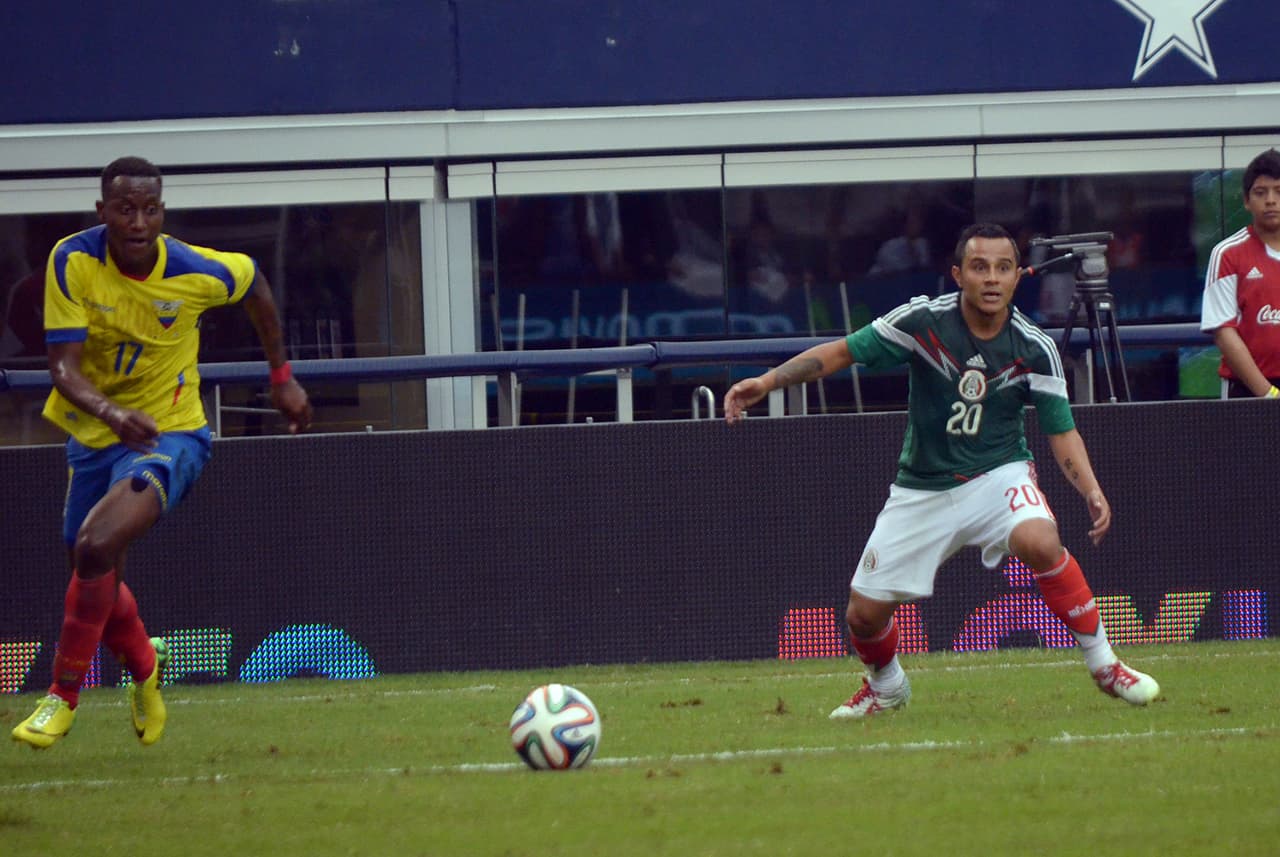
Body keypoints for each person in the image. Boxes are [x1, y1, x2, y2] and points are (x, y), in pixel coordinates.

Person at [723, 222, 1159, 718]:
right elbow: (842, 352)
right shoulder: (922, 322)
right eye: (979, 267)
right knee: (862, 617)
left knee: (1040, 541)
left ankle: (1105, 665)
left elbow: (1061, 430)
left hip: (999, 475)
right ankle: (887, 686)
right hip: (922, 488)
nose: (991, 278)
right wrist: (767, 382)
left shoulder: (1035, 347)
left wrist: (1091, 490)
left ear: (1018, 276)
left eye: (1003, 268)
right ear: (957, 275)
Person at [11, 156, 313, 749]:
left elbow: (254, 283)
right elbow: (63, 370)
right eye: (125, 209)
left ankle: (61, 699)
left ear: (162, 212)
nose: (138, 222)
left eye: (150, 209)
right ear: (102, 212)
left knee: (95, 545)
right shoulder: (72, 260)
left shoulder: (194, 269)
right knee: (91, 566)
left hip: (169, 433)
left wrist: (282, 377)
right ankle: (146, 665)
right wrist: (113, 416)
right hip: (97, 436)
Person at [1200, 148, 1280, 399]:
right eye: (1260, 192)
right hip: (1248, 392)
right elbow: (1223, 332)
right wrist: (1268, 394)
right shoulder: (1227, 254)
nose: (1270, 200)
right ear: (1246, 201)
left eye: (1279, 191)